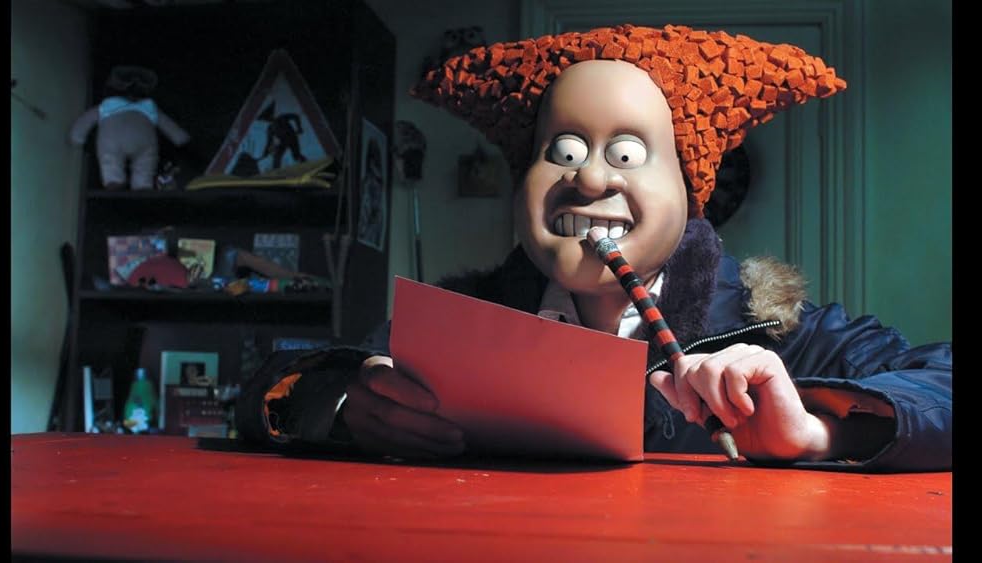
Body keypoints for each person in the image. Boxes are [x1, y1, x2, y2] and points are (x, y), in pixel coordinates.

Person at [236, 24, 951, 471]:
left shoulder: (779, 335)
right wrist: (343, 403)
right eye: (564, 151)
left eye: (629, 153)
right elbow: (267, 389)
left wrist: (819, 430)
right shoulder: (457, 327)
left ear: (690, 190)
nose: (590, 178)